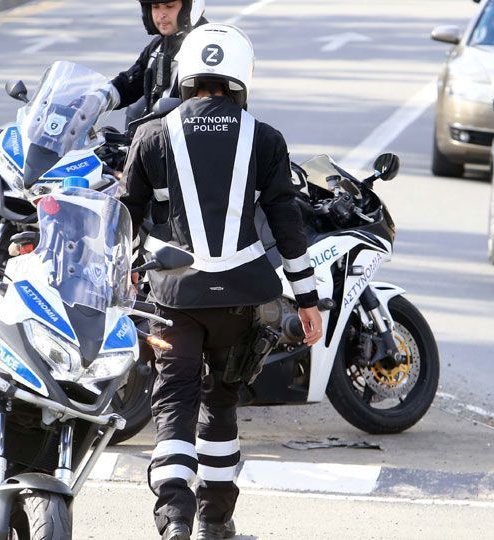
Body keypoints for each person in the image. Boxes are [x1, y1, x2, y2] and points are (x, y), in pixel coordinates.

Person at [119, 23, 324, 540]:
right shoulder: (266, 138)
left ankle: (174, 519)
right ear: (240, 77)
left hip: (174, 299)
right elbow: (287, 226)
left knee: (175, 400)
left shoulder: (151, 135)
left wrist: (115, 290)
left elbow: (123, 222)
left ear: (186, 74)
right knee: (221, 402)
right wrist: (307, 300)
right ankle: (214, 523)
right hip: (241, 300)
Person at [89, 0, 208, 119]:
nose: (161, 15)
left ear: (190, 7)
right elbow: (129, 84)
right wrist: (96, 100)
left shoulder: (207, 46)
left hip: (191, 127)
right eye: (155, 7)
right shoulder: (158, 46)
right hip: (157, 128)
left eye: (169, 6)